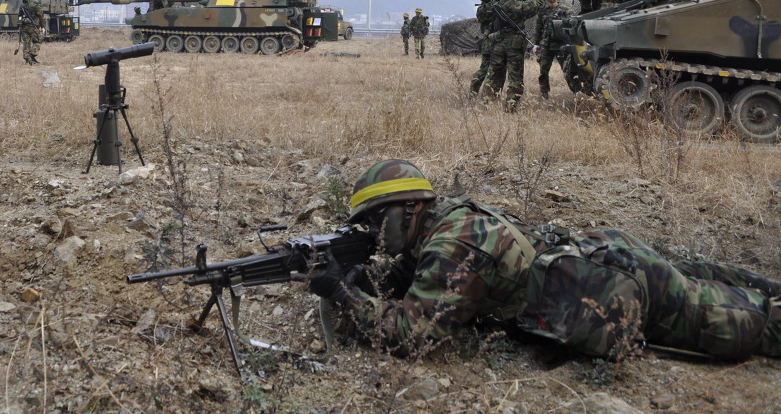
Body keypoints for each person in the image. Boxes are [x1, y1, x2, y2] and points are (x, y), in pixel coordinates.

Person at [308, 159, 781, 360]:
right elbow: (419, 282)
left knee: (733, 322)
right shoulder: (442, 222)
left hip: (605, 293)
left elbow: (411, 337)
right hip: (599, 258)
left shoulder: (455, 242)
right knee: (701, 279)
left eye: (375, 220)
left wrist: (343, 294)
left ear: (411, 206)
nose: (371, 231)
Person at [480, 0, 548, 112]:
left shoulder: (496, 2)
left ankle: (486, 104)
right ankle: (510, 109)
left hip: (498, 45)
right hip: (514, 48)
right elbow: (539, 5)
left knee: (493, 76)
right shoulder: (520, 7)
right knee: (515, 80)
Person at [533, 0, 572, 99]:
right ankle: (544, 94)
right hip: (546, 46)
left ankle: (575, 92)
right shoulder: (542, 11)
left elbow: (572, 28)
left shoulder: (565, 10)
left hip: (561, 46)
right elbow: (538, 28)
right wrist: (536, 43)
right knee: (543, 72)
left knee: (568, 71)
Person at [469, 0, 497, 97]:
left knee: (489, 70)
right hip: (490, 44)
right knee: (487, 70)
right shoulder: (484, 9)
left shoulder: (491, 6)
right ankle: (478, 93)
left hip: (493, 43)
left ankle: (481, 93)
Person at [19, 0, 43, 65]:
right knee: (38, 40)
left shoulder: (23, 3)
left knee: (26, 42)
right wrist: (42, 26)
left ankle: (27, 59)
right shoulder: (36, 3)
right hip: (32, 26)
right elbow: (40, 15)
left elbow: (20, 14)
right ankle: (32, 55)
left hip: (23, 25)